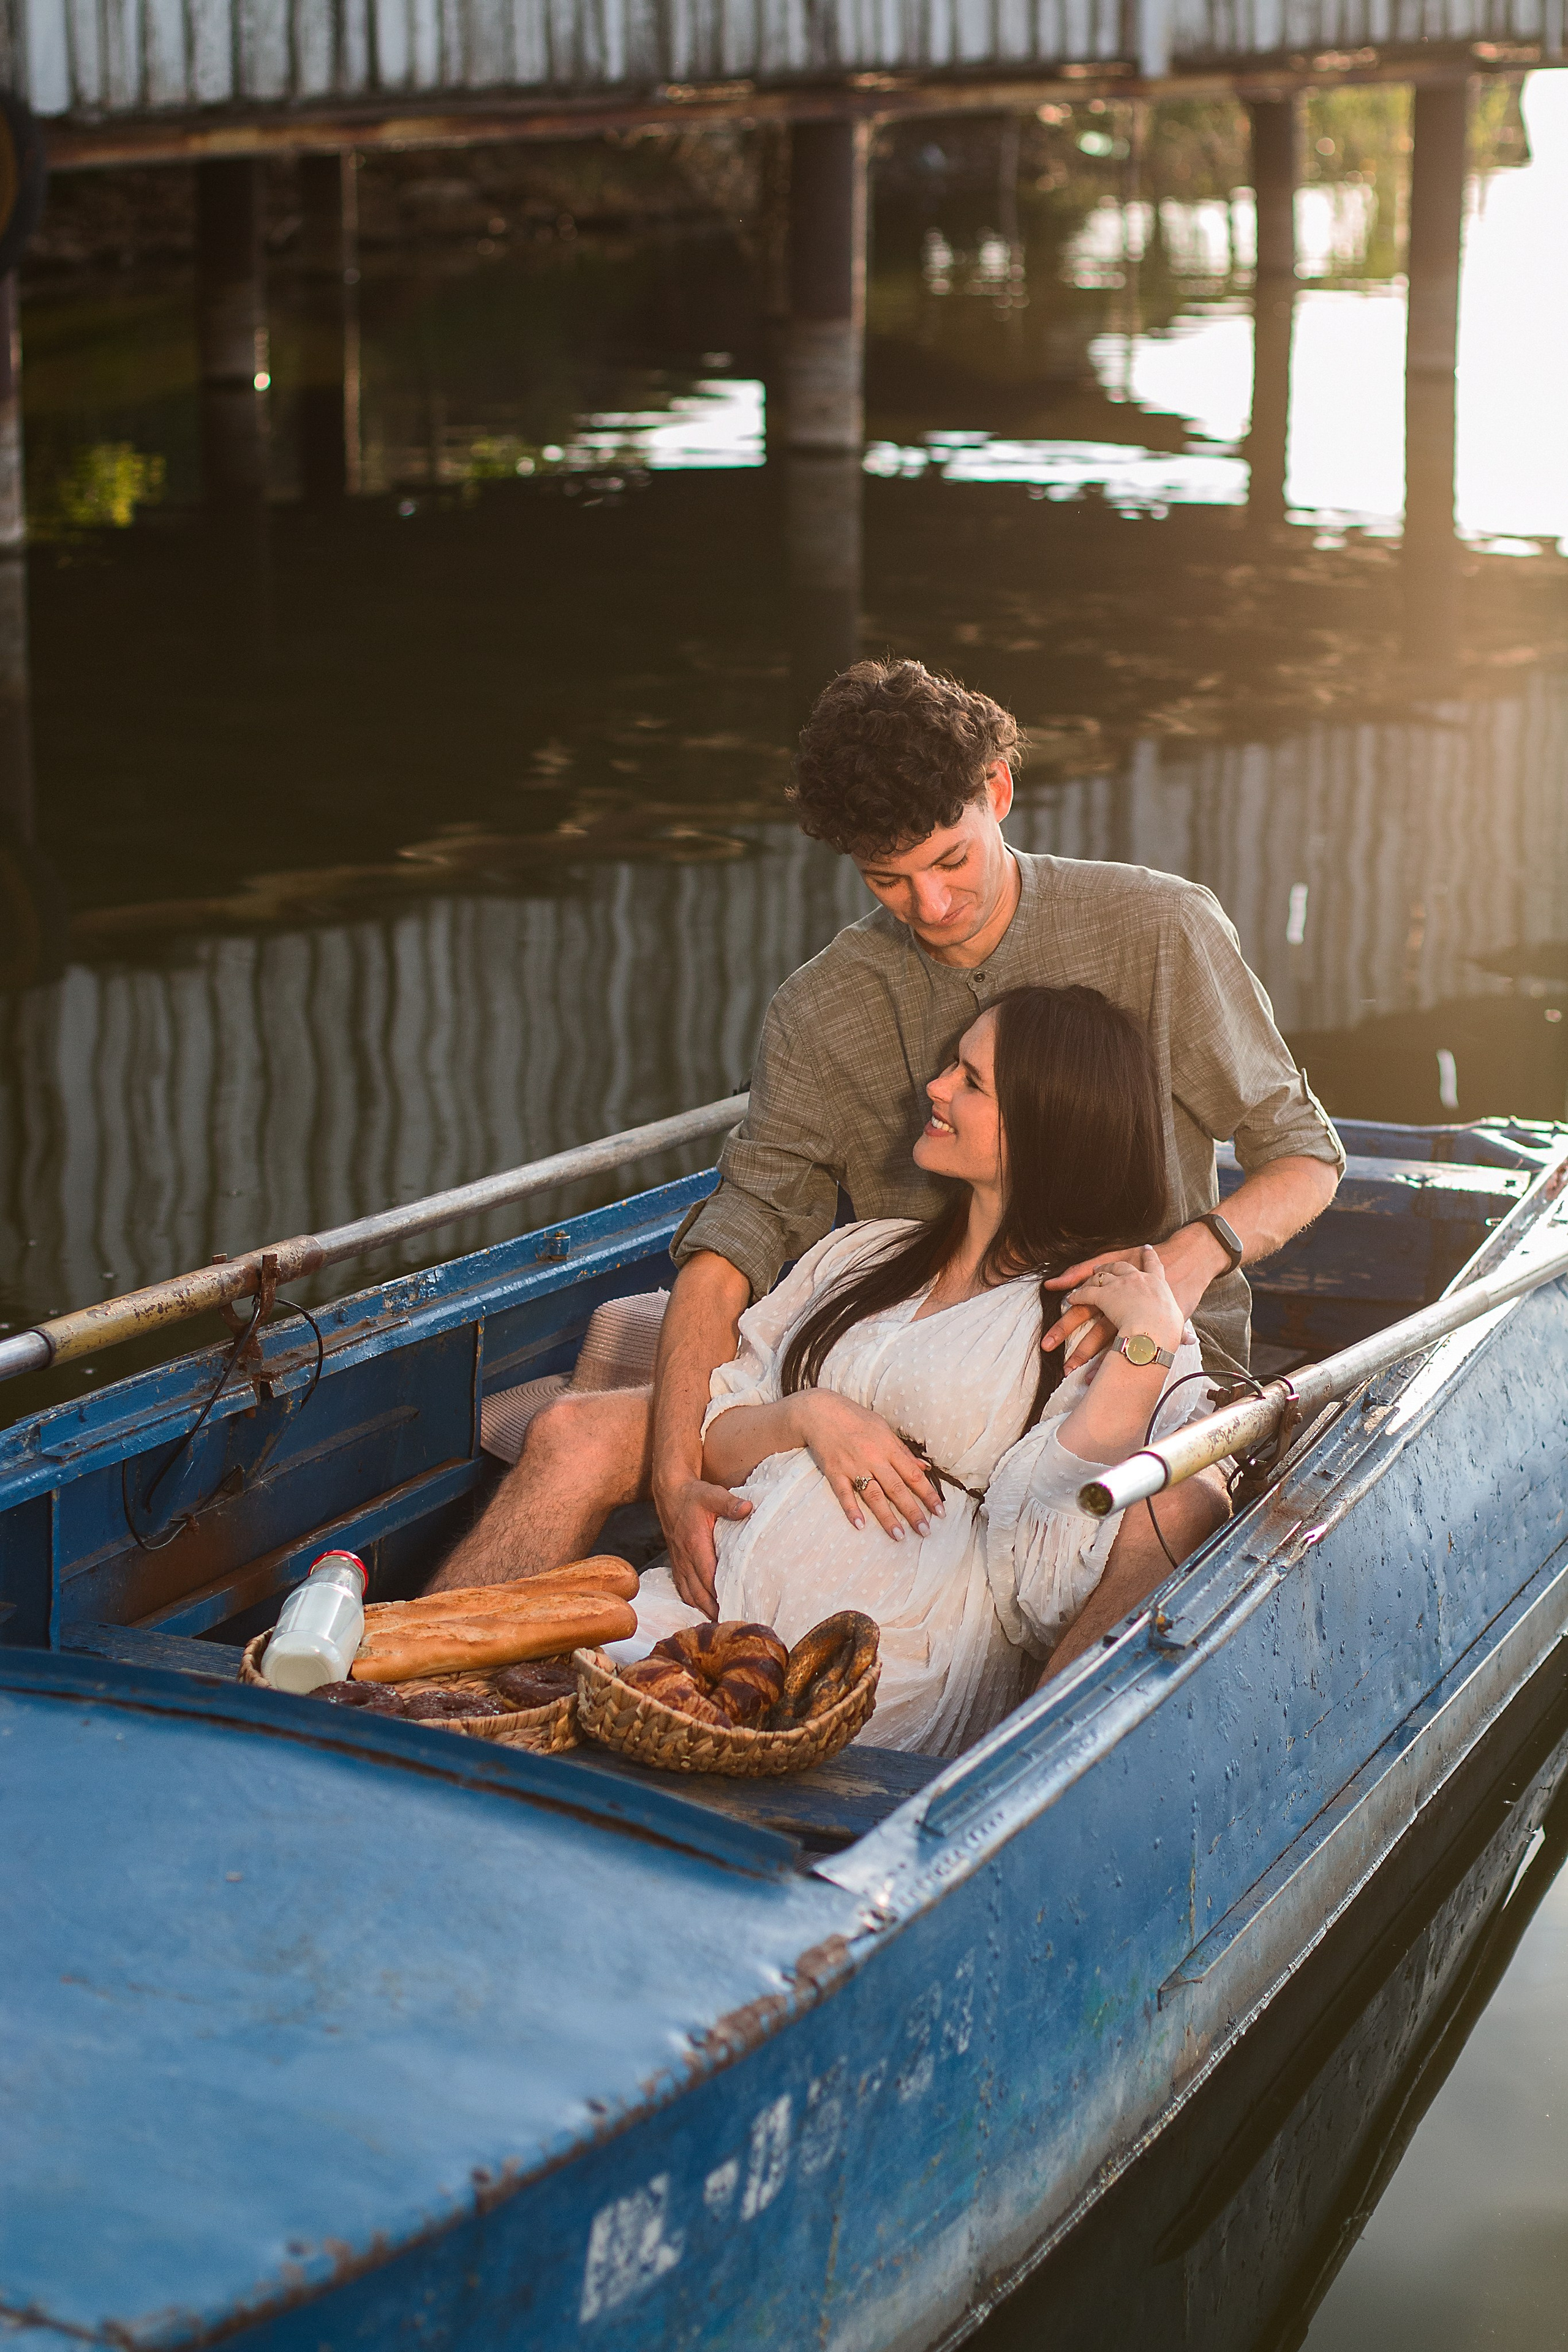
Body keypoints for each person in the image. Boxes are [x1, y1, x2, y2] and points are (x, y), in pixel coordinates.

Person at [431, 662, 1343, 1649]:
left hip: (1125, 1372)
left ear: (998, 789)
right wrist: (674, 1475)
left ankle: (1025, 1782)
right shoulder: (823, 1007)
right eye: (888, 880)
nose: (933, 905)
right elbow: (738, 1234)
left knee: (1176, 1504)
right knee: (571, 1435)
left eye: (952, 860)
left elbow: (1303, 1154)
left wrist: (1181, 1264)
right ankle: (389, 1696)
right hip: (885, 1358)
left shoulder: (1161, 926)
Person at [620, 986, 1215, 1751]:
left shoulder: (1097, 1320)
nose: (934, 1088)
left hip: (884, 1672)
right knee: (546, 1697)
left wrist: (1149, 1348)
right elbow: (716, 1446)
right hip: (710, 1619)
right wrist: (812, 1416)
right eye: (950, 1065)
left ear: (1048, 1131)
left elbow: (1046, 1596)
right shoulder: (862, 1254)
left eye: (970, 1082)